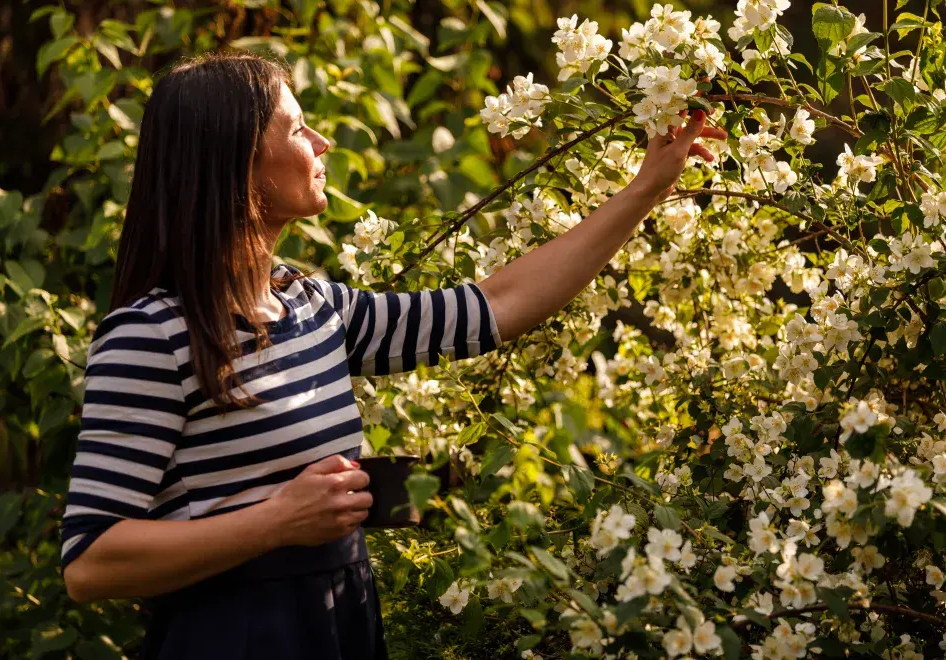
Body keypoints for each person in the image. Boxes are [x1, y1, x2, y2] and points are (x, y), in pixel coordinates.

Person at [59, 52, 726, 659]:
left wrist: (645, 189)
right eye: (297, 130)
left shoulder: (311, 307)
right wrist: (276, 521)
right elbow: (91, 563)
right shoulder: (152, 335)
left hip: (338, 631)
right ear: (238, 161)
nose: (322, 144)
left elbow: (496, 306)